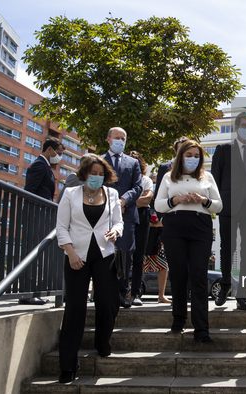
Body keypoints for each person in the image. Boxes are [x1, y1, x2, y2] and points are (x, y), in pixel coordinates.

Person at [56, 155, 123, 383]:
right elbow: (62, 227)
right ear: (84, 173)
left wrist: (116, 232)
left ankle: (102, 341)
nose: (96, 177)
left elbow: (118, 222)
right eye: (92, 173)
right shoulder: (70, 194)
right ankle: (67, 365)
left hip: (104, 254)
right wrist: (71, 254)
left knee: (108, 302)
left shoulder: (112, 194)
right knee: (75, 309)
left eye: (100, 174)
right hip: (77, 256)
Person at [155, 139, 222, 343]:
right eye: (188, 155)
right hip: (174, 227)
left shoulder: (207, 177)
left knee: (199, 277)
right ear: (180, 156)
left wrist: (203, 200)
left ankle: (201, 328)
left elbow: (218, 206)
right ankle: (179, 318)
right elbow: (158, 205)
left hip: (200, 227)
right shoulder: (168, 177)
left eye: (196, 156)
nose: (192, 159)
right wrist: (176, 200)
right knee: (178, 275)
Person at [211, 112, 246, 310]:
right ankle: (225, 285)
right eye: (243, 125)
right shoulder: (223, 149)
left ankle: (243, 293)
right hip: (228, 206)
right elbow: (215, 179)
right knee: (228, 248)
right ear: (236, 128)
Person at [101, 127, 142, 308]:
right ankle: (103, 292)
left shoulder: (132, 163)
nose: (120, 141)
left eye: (123, 138)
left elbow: (138, 187)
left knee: (125, 254)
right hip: (102, 215)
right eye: (117, 138)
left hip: (127, 215)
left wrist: (124, 200)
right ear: (108, 139)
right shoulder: (99, 161)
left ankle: (123, 293)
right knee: (104, 253)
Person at [21, 136, 65, 305]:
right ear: (49, 149)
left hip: (41, 215)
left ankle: (33, 291)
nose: (59, 157)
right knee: (32, 254)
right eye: (58, 153)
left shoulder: (45, 166)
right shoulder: (39, 165)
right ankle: (27, 293)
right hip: (36, 215)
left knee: (37, 255)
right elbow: (31, 191)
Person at [128, 151, 153, 306]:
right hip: (125, 216)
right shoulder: (122, 179)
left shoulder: (146, 180)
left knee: (139, 256)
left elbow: (147, 199)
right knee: (122, 255)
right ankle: (121, 291)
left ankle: (136, 293)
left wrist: (128, 200)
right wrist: (137, 199)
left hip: (143, 216)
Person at [152, 137, 189, 219]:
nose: (184, 153)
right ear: (175, 151)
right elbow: (158, 193)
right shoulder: (165, 168)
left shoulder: (198, 168)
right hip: (170, 215)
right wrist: (161, 217)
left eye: (186, 149)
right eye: (181, 150)